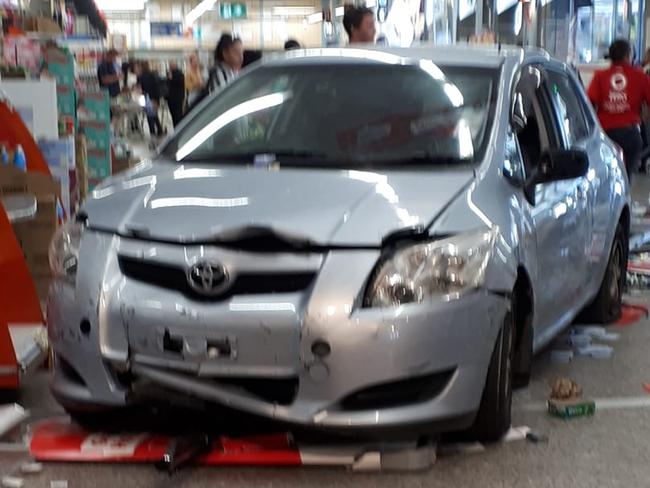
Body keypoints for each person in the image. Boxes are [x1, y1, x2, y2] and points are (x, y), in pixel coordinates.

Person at [587, 39, 650, 181]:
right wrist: (645, 116)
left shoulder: (599, 77)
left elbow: (589, 104)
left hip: (606, 135)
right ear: (628, 55)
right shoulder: (640, 76)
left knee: (606, 177)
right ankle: (625, 192)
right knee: (626, 178)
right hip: (630, 134)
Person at [137, 61, 163, 137]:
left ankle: (153, 134)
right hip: (154, 97)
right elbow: (156, 87)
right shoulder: (153, 75)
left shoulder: (140, 76)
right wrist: (157, 100)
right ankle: (159, 130)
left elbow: (139, 88)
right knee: (154, 114)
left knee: (150, 116)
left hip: (146, 97)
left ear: (141, 67)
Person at [166, 61, 185, 128]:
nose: (170, 67)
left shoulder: (179, 73)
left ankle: (179, 128)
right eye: (170, 65)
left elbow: (181, 83)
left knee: (178, 115)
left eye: (171, 65)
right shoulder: (169, 73)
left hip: (177, 98)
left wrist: (172, 79)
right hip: (171, 98)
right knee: (174, 115)